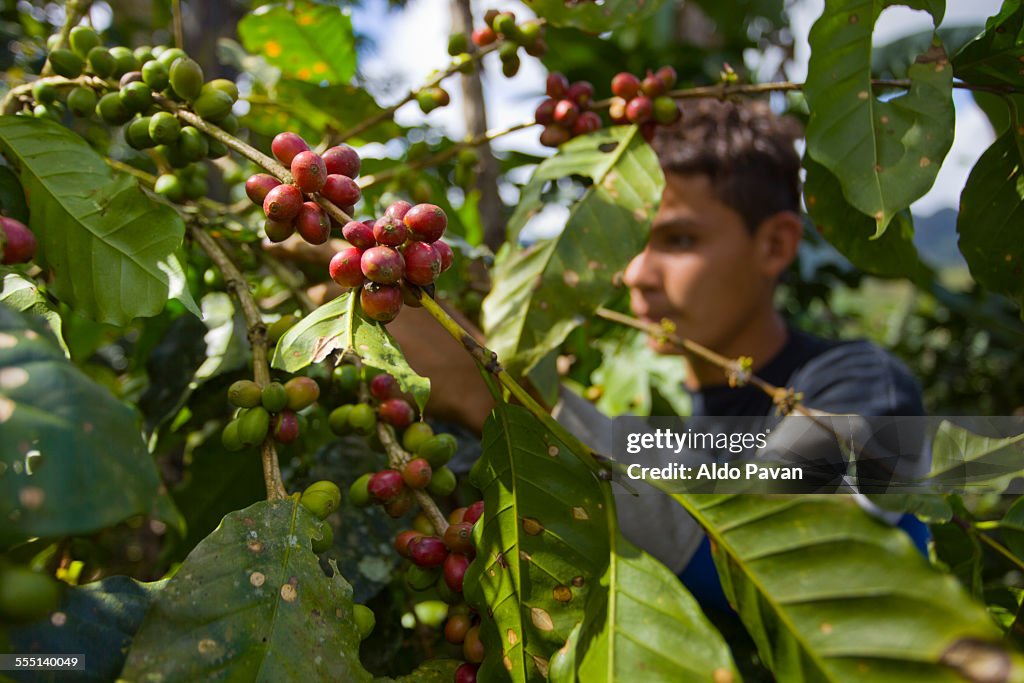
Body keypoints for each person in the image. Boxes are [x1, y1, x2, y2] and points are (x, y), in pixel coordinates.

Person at [361, 99, 931, 609]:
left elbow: (777, 558)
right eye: (631, 242)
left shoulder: (862, 386)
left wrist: (495, 396)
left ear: (776, 243)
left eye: (679, 240)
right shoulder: (637, 405)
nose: (637, 274)